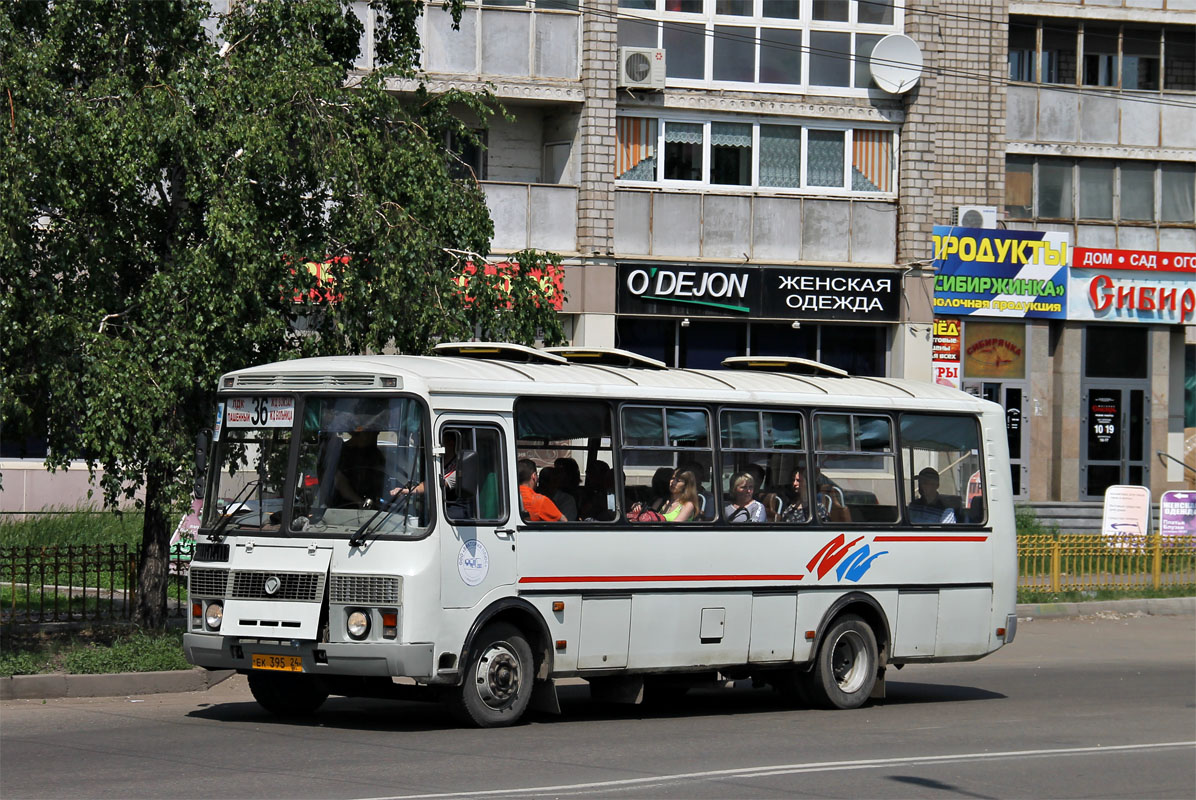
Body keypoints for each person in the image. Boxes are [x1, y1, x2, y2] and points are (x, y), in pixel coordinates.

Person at [332, 429, 385, 508]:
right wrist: (358, 501)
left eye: (375, 435)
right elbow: (340, 482)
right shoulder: (341, 452)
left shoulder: (375, 454)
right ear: (359, 434)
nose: (374, 439)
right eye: (371, 434)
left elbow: (379, 481)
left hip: (371, 509)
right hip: (341, 508)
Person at [779, 469, 850, 523]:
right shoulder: (789, 509)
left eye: (798, 481)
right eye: (793, 480)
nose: (794, 483)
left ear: (807, 483)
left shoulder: (818, 509)